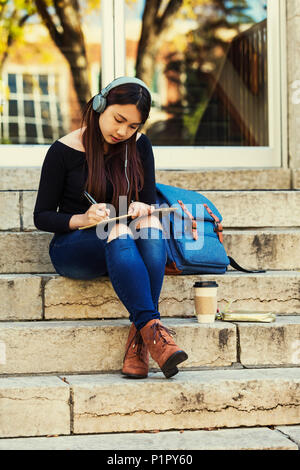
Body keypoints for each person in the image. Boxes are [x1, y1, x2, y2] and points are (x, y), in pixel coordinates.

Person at [33, 76, 188, 379]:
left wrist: (144, 207)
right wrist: (83, 219)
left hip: (126, 247)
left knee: (150, 224)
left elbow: (147, 199)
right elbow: (42, 216)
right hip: (75, 246)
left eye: (133, 126)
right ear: (100, 105)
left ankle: (142, 339)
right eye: (119, 120)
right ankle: (154, 333)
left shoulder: (139, 146)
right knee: (116, 231)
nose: (123, 132)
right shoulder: (63, 151)